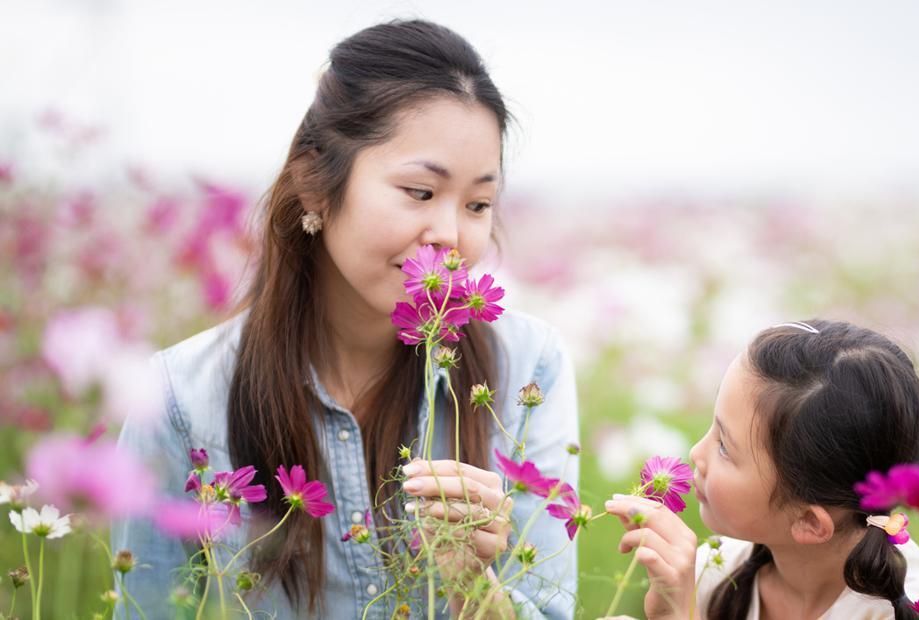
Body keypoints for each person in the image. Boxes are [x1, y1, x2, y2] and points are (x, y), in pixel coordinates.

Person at [112, 19, 578, 619]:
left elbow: (552, 607)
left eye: (478, 204)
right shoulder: (180, 399)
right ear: (314, 182)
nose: (450, 235)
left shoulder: (527, 366)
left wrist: (473, 583)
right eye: (419, 191)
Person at [605, 320, 919, 619]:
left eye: (723, 447)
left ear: (810, 523)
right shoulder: (716, 568)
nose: (695, 453)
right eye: (713, 428)